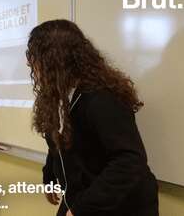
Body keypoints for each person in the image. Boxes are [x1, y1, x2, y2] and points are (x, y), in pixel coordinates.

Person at [25, 19, 158, 216]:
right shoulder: (58, 95)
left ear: (56, 59)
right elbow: (58, 142)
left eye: (35, 56)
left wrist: (81, 209)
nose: (30, 63)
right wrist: (50, 177)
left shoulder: (102, 98)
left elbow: (129, 161)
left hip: (120, 205)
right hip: (82, 198)